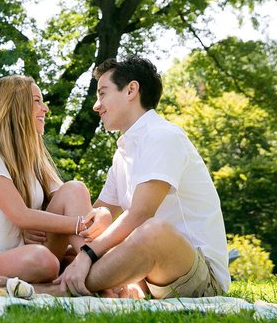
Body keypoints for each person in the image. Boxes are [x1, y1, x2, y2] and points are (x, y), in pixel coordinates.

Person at [49, 56, 230, 299]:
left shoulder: (163, 136)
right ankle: (79, 281)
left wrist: (86, 256)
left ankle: (51, 289)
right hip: (148, 272)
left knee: (152, 230)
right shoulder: (123, 153)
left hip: (199, 277)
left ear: (131, 90)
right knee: (74, 193)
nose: (96, 105)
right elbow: (98, 219)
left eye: (102, 93)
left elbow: (140, 214)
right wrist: (74, 244)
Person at [0, 76, 93, 285]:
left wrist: (81, 240)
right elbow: (21, 216)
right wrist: (82, 225)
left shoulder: (35, 161)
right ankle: (84, 276)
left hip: (25, 251)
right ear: (14, 107)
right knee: (44, 260)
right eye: (37, 101)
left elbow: (68, 204)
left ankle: (89, 261)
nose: (45, 108)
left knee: (75, 189)